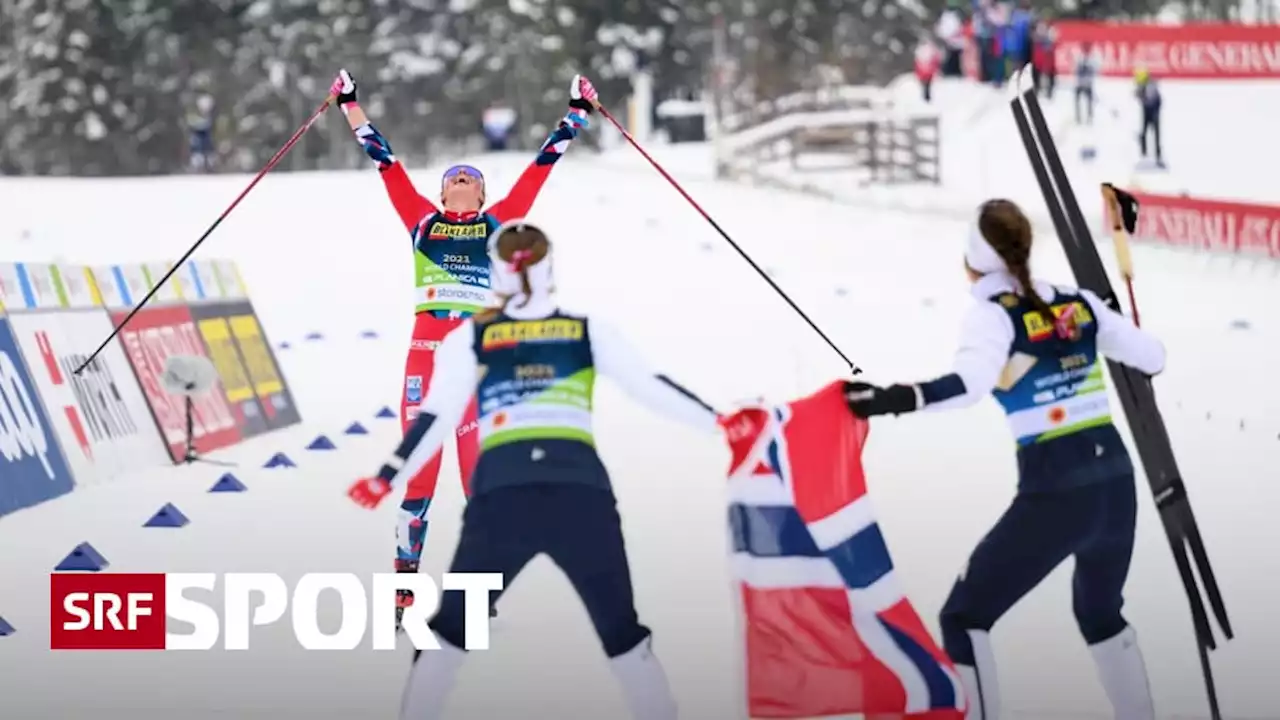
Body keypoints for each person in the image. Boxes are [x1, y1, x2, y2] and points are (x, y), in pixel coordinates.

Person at [348, 222, 723, 720]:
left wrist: (388, 475)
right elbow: (652, 387)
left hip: (503, 498)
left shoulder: (474, 333)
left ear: (495, 271)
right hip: (581, 495)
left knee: (447, 638)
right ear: (551, 268)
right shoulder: (585, 328)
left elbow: (434, 416)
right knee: (624, 638)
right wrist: (726, 424)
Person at [841, 199, 1165, 720]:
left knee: (964, 618)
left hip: (1058, 493)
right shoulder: (1075, 302)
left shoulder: (992, 316)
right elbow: (1153, 357)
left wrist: (889, 400)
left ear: (972, 262)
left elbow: (967, 387)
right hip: (1117, 487)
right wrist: (1107, 315)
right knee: (1100, 614)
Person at [329, 68, 599, 622]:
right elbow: (386, 163)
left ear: (483, 193)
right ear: (441, 191)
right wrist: (349, 104)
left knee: (479, 480)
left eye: (471, 180)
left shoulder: (499, 223)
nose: (461, 184)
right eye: (454, 179)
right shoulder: (422, 224)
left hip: (476, 362)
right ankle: (405, 588)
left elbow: (538, 172)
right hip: (425, 356)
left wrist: (576, 115)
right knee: (418, 476)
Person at [1134, 67, 1164, 168]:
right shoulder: (1141, 85)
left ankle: (1158, 154)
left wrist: (1141, 96)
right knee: (1144, 131)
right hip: (1146, 110)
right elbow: (1139, 97)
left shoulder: (1151, 86)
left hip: (1154, 109)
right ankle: (1144, 152)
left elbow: (1151, 99)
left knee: (1156, 133)